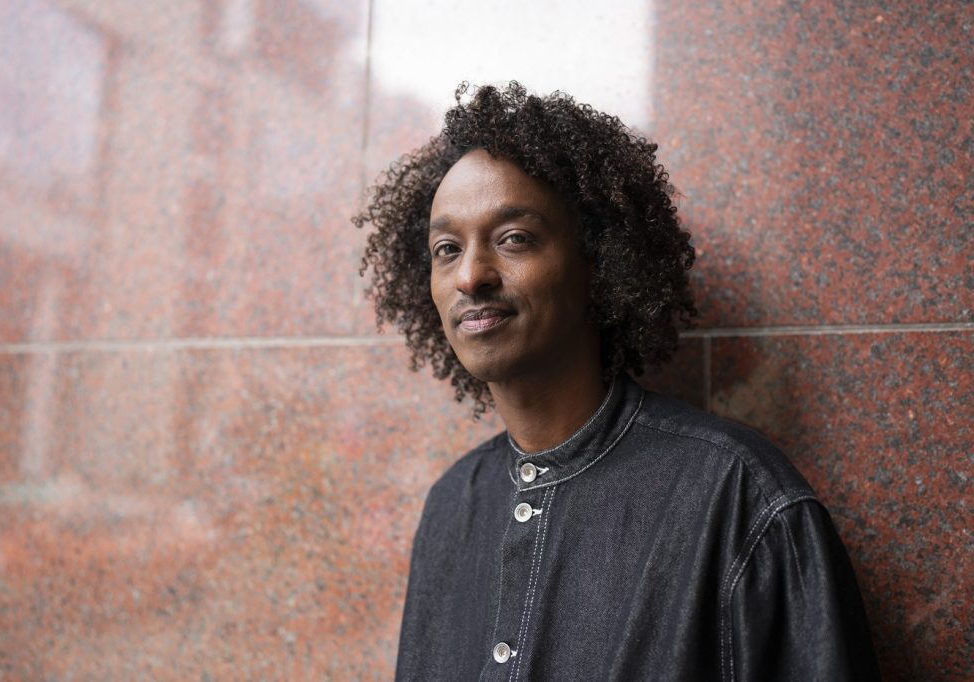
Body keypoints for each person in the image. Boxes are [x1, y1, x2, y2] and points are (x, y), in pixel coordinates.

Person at [354, 82, 880, 681]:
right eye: (446, 249)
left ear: (598, 262)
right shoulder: (452, 506)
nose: (471, 275)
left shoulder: (741, 499)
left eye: (514, 239)